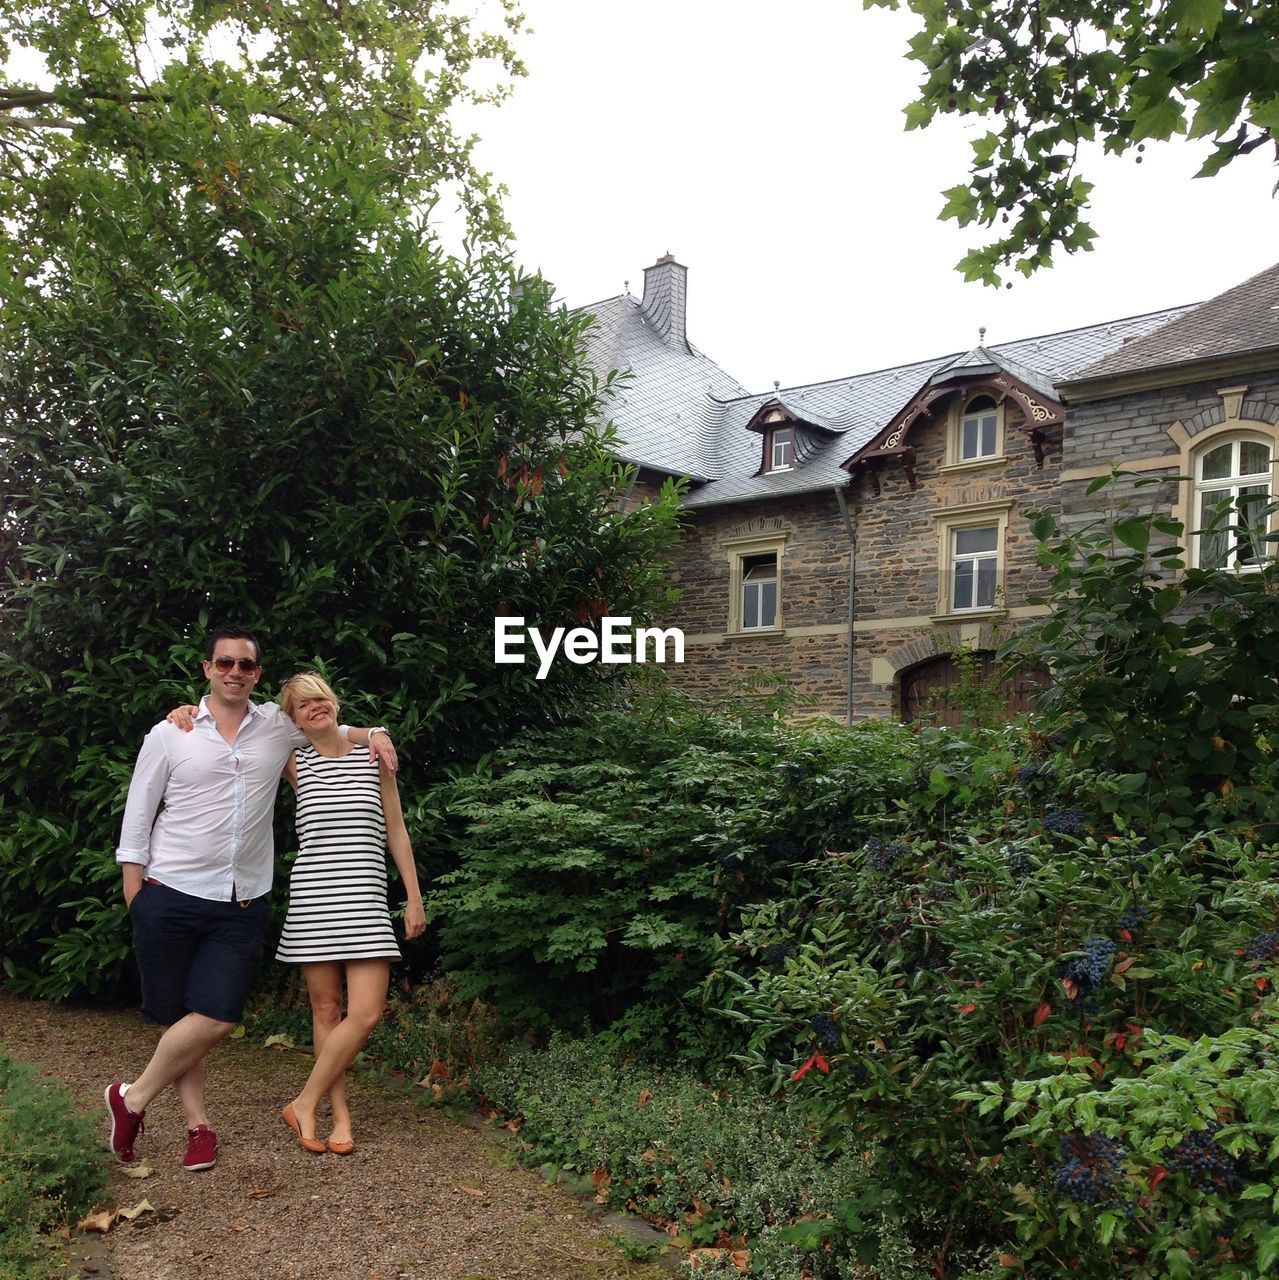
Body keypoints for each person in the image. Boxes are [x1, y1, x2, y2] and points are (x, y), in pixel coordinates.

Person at [106, 626, 396, 1172]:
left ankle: (132, 1098)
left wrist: (375, 731)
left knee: (214, 1016)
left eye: (246, 664)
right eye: (225, 663)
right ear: (207, 669)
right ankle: (198, 1128)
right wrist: (134, 889)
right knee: (179, 1019)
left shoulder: (275, 727)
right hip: (168, 890)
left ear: (257, 674)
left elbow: (326, 721)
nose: (235, 671)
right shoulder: (172, 733)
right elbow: (139, 812)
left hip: (239, 900)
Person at [275, 671, 425, 1155]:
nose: (314, 707)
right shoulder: (291, 762)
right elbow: (236, 732)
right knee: (326, 1010)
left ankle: (303, 1101)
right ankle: (337, 1117)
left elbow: (397, 831)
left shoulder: (373, 757)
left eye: (319, 699)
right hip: (314, 900)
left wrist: (414, 896)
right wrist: (190, 712)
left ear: (334, 704)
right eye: (302, 705)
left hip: (365, 900)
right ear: (293, 719)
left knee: (366, 1012)